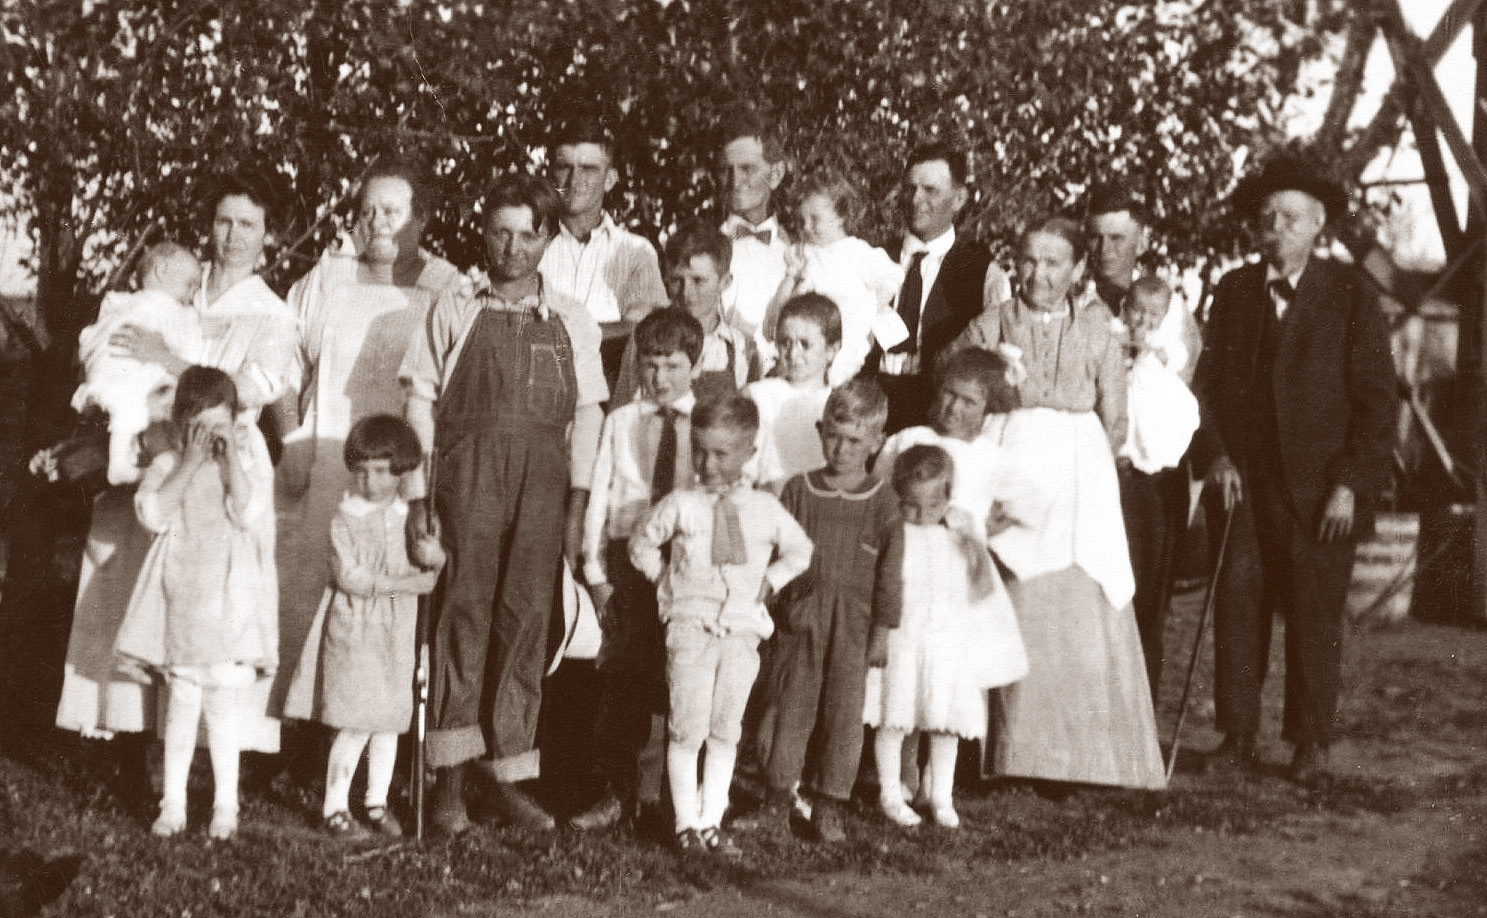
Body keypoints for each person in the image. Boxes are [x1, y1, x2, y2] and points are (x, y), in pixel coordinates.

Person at [57, 171, 298, 765]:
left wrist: (171, 359)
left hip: (222, 461)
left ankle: (202, 753)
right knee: (130, 584)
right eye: (223, 220)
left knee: (207, 599)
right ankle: (126, 733)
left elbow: (255, 386)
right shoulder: (181, 287)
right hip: (153, 447)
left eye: (248, 223)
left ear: (269, 234)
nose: (233, 235)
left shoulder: (270, 312)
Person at [401, 173, 608, 834]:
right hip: (468, 479)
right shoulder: (455, 304)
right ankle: (448, 784)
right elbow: (419, 403)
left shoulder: (571, 317)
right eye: (500, 232)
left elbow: (589, 417)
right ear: (482, 231)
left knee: (525, 622)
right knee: (461, 613)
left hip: (544, 485)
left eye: (528, 234)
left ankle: (507, 780)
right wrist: (417, 497)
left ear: (549, 236)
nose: (513, 248)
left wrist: (577, 503)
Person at [1193, 154, 1395, 782]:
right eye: (1266, 218)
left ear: (1318, 226)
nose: (1274, 229)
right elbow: (1208, 388)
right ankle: (1238, 734)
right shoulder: (1234, 292)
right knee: (1239, 603)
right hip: (1247, 484)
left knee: (1314, 611)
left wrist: (1350, 486)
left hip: (1320, 489)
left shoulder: (1350, 293)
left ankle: (1310, 741)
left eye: (1288, 218)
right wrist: (1219, 457)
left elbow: (1376, 401)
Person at [979, 216, 1166, 790]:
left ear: (1079, 269)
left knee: (1077, 597)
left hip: (1079, 473)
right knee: (1016, 595)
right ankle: (1011, 755)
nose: (1039, 273)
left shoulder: (1098, 331)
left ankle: (1082, 759)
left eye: (1054, 262)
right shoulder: (993, 322)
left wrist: (1085, 460)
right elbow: (960, 381)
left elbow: (1114, 416)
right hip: (1011, 457)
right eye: (1029, 260)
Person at [275, 160, 462, 717]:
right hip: (326, 459)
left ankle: (377, 738)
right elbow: (284, 367)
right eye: (368, 210)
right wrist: (291, 443)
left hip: (403, 475)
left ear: (421, 219)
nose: (379, 222)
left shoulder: (445, 286)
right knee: (310, 592)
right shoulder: (324, 279)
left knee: (385, 601)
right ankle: (298, 730)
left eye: (393, 210)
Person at [629, 394, 813, 858]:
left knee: (726, 727)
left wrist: (770, 582)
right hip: (690, 628)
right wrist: (666, 584)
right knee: (686, 726)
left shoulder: (765, 510)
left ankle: (712, 820)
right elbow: (642, 543)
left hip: (741, 630)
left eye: (721, 453)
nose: (708, 464)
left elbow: (800, 551)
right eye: (700, 451)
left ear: (750, 454)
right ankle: (684, 824)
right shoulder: (682, 504)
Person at [112, 366, 278, 840]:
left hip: (227, 603)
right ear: (183, 424)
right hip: (183, 601)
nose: (210, 440)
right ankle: (174, 803)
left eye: (219, 428)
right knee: (182, 706)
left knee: (224, 708)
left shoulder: (241, 467)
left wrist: (227, 466)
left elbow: (248, 513)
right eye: (200, 429)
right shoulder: (168, 466)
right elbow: (153, 515)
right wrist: (187, 462)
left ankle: (226, 804)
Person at [569, 308, 706, 832]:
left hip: (685, 562)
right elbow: (600, 496)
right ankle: (617, 791)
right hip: (629, 561)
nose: (659, 377)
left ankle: (667, 796)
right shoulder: (620, 420)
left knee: (676, 677)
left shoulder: (705, 423)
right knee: (624, 673)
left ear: (695, 363)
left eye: (672, 365)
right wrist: (596, 573)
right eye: (649, 364)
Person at [281, 415, 439, 837]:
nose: (371, 482)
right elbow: (350, 579)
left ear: (402, 471)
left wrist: (434, 557)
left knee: (388, 722)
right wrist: (404, 586)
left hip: (398, 635)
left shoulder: (412, 516)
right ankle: (335, 806)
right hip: (358, 629)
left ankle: (375, 801)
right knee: (356, 722)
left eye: (382, 472)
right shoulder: (346, 518)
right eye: (362, 472)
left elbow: (433, 568)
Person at [759, 379, 897, 843]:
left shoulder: (883, 502)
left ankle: (830, 805)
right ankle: (777, 801)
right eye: (834, 436)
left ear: (876, 442)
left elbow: (891, 575)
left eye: (855, 440)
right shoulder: (799, 490)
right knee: (790, 713)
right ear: (821, 432)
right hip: (802, 623)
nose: (841, 448)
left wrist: (881, 631)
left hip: (854, 631)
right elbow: (774, 552)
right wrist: (773, 608)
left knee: (843, 718)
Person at [865, 444, 1027, 829]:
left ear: (947, 500)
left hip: (944, 646)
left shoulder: (957, 538)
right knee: (895, 718)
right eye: (910, 505)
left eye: (931, 507)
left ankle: (940, 795)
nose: (920, 516)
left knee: (944, 721)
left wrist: (973, 543)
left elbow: (982, 593)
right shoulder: (892, 535)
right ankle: (890, 792)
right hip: (902, 643)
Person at [867, 142, 995, 434]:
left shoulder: (978, 268)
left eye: (931, 190)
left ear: (959, 198)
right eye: (910, 188)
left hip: (935, 412)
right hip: (869, 408)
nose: (916, 200)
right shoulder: (875, 256)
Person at [1117, 276, 1200, 695]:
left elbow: (1180, 367)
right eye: (1136, 310)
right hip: (1114, 473)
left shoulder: (1169, 349)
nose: (1142, 321)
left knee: (1148, 596)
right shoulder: (1112, 335)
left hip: (1153, 478)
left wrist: (1152, 351)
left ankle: (1142, 705)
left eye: (1153, 315)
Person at [72, 243, 204, 486]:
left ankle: (122, 459)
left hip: (102, 373)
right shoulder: (164, 305)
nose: (192, 293)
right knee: (137, 403)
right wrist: (201, 326)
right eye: (191, 283)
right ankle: (120, 466)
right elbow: (187, 343)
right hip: (126, 375)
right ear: (162, 271)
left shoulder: (123, 303)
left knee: (125, 412)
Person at [765, 170, 901, 385]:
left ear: (841, 217)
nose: (806, 227)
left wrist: (869, 312)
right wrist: (792, 274)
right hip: (808, 329)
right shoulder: (803, 253)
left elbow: (891, 279)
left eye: (814, 219)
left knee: (836, 377)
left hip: (847, 326)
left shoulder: (858, 252)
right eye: (801, 221)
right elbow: (782, 307)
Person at [540, 124, 669, 342]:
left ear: (609, 180)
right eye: (564, 167)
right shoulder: (530, 244)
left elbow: (645, 329)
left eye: (588, 169)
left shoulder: (636, 252)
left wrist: (563, 335)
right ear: (552, 176)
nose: (574, 179)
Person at [612, 225, 761, 407]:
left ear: (725, 282)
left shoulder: (740, 347)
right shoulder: (643, 337)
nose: (686, 293)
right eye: (677, 280)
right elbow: (622, 410)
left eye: (698, 281)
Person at [745, 293, 840, 492]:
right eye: (785, 342)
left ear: (831, 349)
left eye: (805, 344)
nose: (793, 353)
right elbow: (744, 469)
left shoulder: (839, 403)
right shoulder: (760, 396)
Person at [716, 105, 791, 352]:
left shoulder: (799, 251)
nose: (735, 182)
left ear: (776, 174)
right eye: (727, 171)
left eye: (747, 169)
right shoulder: (706, 247)